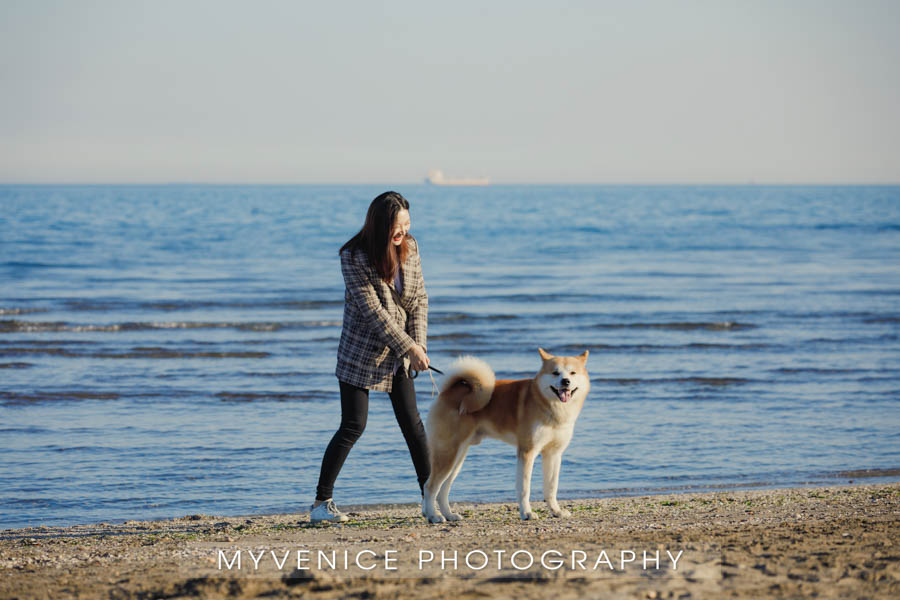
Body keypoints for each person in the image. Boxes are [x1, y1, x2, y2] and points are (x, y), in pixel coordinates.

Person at [310, 191, 431, 523]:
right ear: (380, 223)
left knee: (413, 425)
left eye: (407, 223)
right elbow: (373, 313)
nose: (403, 231)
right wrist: (410, 346)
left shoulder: (412, 248)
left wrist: (418, 345)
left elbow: (419, 299)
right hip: (361, 352)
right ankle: (321, 503)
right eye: (397, 224)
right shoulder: (353, 256)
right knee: (353, 425)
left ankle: (430, 499)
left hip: (402, 353)